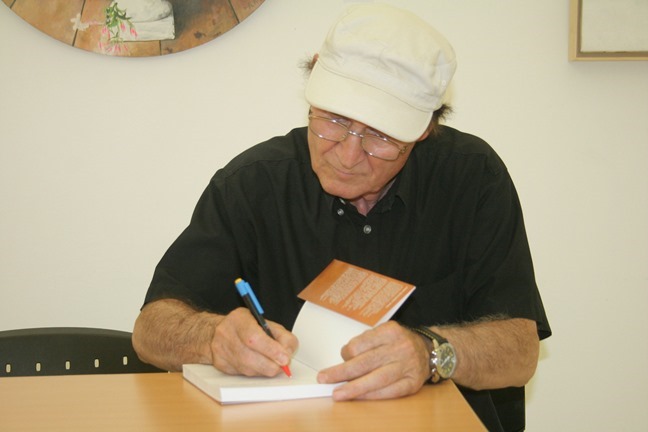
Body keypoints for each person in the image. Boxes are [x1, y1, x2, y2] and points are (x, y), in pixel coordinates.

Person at [133, 3, 551, 431]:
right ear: (312, 82)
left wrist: (431, 353)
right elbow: (151, 330)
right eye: (333, 120)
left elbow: (520, 351)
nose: (349, 155)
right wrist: (212, 338)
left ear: (424, 128)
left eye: (380, 136)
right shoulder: (254, 183)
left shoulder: (472, 178)